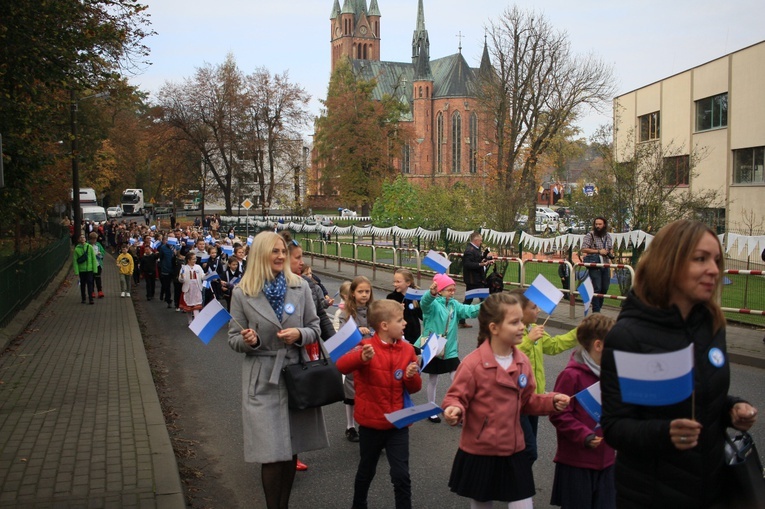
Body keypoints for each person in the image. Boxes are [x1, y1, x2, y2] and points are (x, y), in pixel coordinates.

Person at [600, 219, 758, 508]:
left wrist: (731, 409)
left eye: (716, 260)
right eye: (700, 258)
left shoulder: (711, 324)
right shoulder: (630, 336)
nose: (713, 269)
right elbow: (615, 426)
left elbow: (702, 396)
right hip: (651, 497)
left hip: (713, 490)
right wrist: (664, 433)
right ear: (668, 262)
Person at [227, 231, 327, 509]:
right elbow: (233, 338)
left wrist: (299, 333)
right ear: (260, 254)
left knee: (290, 448)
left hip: (296, 376)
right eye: (274, 251)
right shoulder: (242, 292)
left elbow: (315, 328)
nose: (281, 256)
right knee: (271, 453)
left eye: (283, 251)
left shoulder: (301, 286)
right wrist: (251, 341)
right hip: (262, 379)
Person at [442, 293, 570, 509]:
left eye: (521, 320)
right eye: (514, 322)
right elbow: (456, 396)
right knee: (482, 503)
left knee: (523, 503)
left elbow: (527, 402)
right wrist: (453, 409)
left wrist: (551, 401)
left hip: (514, 448)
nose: (522, 327)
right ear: (494, 328)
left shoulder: (522, 362)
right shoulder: (473, 364)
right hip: (481, 449)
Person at [336, 300, 422, 509]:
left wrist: (411, 376)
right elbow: (341, 365)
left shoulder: (407, 349)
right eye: (400, 320)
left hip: (398, 424)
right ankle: (359, 504)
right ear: (384, 325)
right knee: (366, 470)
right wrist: (361, 358)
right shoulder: (366, 347)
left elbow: (414, 388)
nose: (404, 324)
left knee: (401, 475)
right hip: (372, 424)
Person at [549, 314, 616, 508]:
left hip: (607, 460)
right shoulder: (571, 375)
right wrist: (584, 436)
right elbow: (558, 414)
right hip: (577, 462)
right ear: (598, 345)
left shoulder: (613, 374)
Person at [509, 287, 578, 464]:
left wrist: (578, 333)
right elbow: (507, 357)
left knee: (526, 449)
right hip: (515, 401)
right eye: (533, 307)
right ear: (519, 310)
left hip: (534, 399)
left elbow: (554, 346)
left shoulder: (533, 328)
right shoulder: (510, 331)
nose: (538, 310)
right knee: (528, 450)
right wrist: (528, 340)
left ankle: (518, 485)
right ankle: (516, 487)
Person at [420, 273, 481, 423]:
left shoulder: (454, 305)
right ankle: (431, 408)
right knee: (433, 379)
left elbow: (469, 311)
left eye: (454, 289)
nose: (453, 292)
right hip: (434, 346)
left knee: (457, 379)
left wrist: (486, 305)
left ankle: (459, 410)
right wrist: (431, 293)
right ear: (440, 290)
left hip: (450, 349)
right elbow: (424, 303)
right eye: (449, 289)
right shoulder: (433, 304)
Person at [338, 276, 375, 442]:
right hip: (353, 355)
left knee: (369, 391)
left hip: (371, 355)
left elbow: (380, 327)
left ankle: (367, 426)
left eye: (367, 291)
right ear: (352, 293)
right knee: (351, 393)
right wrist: (356, 330)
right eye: (360, 291)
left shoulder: (374, 310)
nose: (364, 295)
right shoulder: (346, 313)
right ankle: (350, 426)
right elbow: (343, 334)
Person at [459, 232, 494, 328]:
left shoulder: (474, 249)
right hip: (473, 280)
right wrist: (481, 264)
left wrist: (486, 260)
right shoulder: (469, 250)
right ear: (476, 240)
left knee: (468, 300)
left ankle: (460, 320)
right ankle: (489, 321)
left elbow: (477, 259)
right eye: (480, 240)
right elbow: (467, 264)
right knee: (485, 300)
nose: (481, 242)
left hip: (475, 279)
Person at [580, 217, 614, 313]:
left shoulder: (608, 236)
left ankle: (599, 307)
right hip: (595, 264)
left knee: (605, 288)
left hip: (605, 265)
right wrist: (598, 251)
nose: (598, 226)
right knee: (597, 288)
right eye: (596, 224)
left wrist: (610, 252)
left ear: (604, 225)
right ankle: (596, 311)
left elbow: (610, 248)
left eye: (600, 224)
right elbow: (584, 249)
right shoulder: (590, 235)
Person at [386, 268, 423, 351]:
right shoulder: (391, 297)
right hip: (398, 334)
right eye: (394, 281)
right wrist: (398, 310)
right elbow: (387, 317)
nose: (395, 284)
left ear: (408, 283)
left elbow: (422, 316)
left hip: (414, 334)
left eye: (398, 282)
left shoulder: (416, 297)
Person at [178, 252, 205, 324]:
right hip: (188, 289)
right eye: (193, 259)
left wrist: (206, 275)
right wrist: (182, 277)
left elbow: (202, 276)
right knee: (189, 306)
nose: (195, 260)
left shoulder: (198, 267)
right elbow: (180, 280)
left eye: (195, 259)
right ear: (188, 260)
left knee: (196, 305)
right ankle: (190, 321)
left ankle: (197, 321)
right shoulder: (184, 268)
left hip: (196, 288)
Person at [73, 233, 98, 304]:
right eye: (81, 238)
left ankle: (90, 299)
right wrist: (76, 271)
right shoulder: (76, 249)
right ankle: (83, 298)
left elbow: (93, 258)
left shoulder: (89, 247)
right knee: (83, 284)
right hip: (82, 269)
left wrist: (94, 268)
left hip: (89, 269)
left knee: (90, 283)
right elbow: (75, 261)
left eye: (83, 237)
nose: (82, 239)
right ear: (78, 240)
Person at [87, 232, 106, 299]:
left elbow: (103, 252)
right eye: (92, 239)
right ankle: (92, 291)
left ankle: (100, 291)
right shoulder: (87, 245)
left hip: (98, 264)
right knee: (91, 279)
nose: (94, 241)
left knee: (98, 278)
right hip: (90, 265)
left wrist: (100, 253)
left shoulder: (98, 245)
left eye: (95, 239)